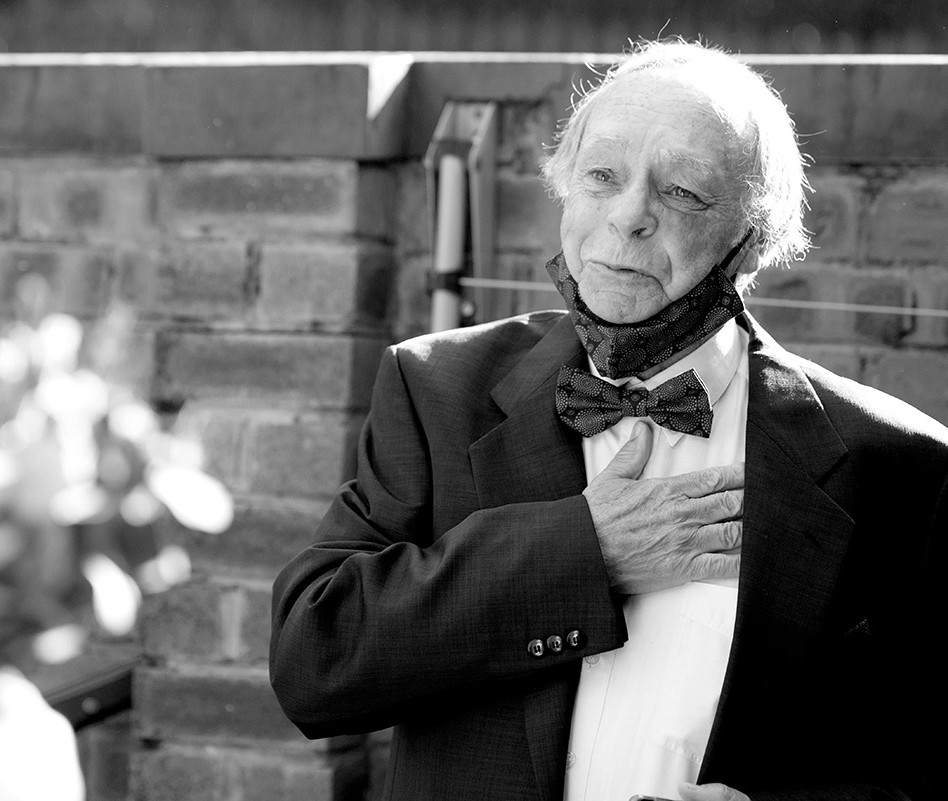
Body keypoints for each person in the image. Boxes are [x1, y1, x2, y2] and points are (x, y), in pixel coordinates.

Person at [270, 39, 946, 801]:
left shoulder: (897, 464)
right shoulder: (435, 389)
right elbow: (313, 663)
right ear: (565, 190)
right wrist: (583, 555)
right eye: (602, 176)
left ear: (749, 241)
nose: (629, 217)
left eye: (684, 191)